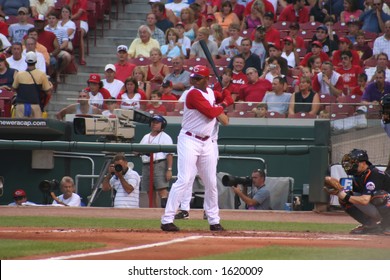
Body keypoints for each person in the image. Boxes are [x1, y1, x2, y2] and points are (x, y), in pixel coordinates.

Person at [160, 65, 231, 232]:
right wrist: (226, 101)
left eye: (198, 78)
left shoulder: (211, 92)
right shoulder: (192, 93)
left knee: (211, 182)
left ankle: (214, 220)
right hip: (189, 139)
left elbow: (225, 98)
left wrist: (227, 92)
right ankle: (167, 219)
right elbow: (211, 112)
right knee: (184, 180)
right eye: (193, 77)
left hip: (207, 142)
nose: (194, 80)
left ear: (207, 80)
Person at [334, 149, 390, 235]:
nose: (351, 165)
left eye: (354, 163)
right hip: (379, 210)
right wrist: (340, 193)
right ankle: (371, 226)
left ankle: (387, 226)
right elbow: (358, 199)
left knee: (380, 196)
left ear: (363, 163)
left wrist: (342, 195)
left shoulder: (375, 174)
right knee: (348, 198)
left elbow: (364, 200)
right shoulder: (358, 177)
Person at [139, 115, 173, 208]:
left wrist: (169, 169)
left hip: (159, 164)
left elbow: (169, 154)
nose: (154, 124)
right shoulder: (146, 136)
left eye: (157, 122)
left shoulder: (165, 137)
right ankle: (152, 213)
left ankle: (165, 213)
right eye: (153, 122)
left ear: (162, 125)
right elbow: (138, 150)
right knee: (149, 191)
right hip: (146, 165)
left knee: (162, 190)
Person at [12, 51, 52, 118]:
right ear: (36, 61)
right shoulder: (42, 75)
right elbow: (48, 92)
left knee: (20, 127)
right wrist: (51, 86)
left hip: (21, 106)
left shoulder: (19, 74)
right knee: (35, 127)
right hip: (35, 106)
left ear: (26, 61)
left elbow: (14, 88)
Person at [44, 12, 71, 83]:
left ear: (57, 20)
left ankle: (58, 73)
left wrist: (58, 49)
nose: (51, 20)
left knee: (67, 56)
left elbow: (65, 42)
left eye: (53, 18)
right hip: (46, 50)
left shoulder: (62, 30)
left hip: (58, 49)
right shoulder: (44, 29)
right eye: (49, 18)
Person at [66, 0, 88, 65]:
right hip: (70, 21)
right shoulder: (68, 1)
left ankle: (82, 57)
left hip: (82, 21)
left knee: (80, 32)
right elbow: (67, 12)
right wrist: (71, 2)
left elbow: (78, 14)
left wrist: (68, 19)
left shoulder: (84, 1)